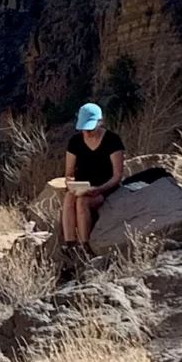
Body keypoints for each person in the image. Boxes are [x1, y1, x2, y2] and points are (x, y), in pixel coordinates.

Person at [61, 102, 125, 254]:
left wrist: (99, 189)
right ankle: (69, 243)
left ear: (100, 122)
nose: (87, 132)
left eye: (90, 128)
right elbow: (69, 172)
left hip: (105, 187)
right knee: (69, 198)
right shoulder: (75, 142)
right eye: (84, 128)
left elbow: (117, 175)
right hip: (83, 185)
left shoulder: (112, 140)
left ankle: (85, 245)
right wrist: (71, 184)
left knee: (82, 202)